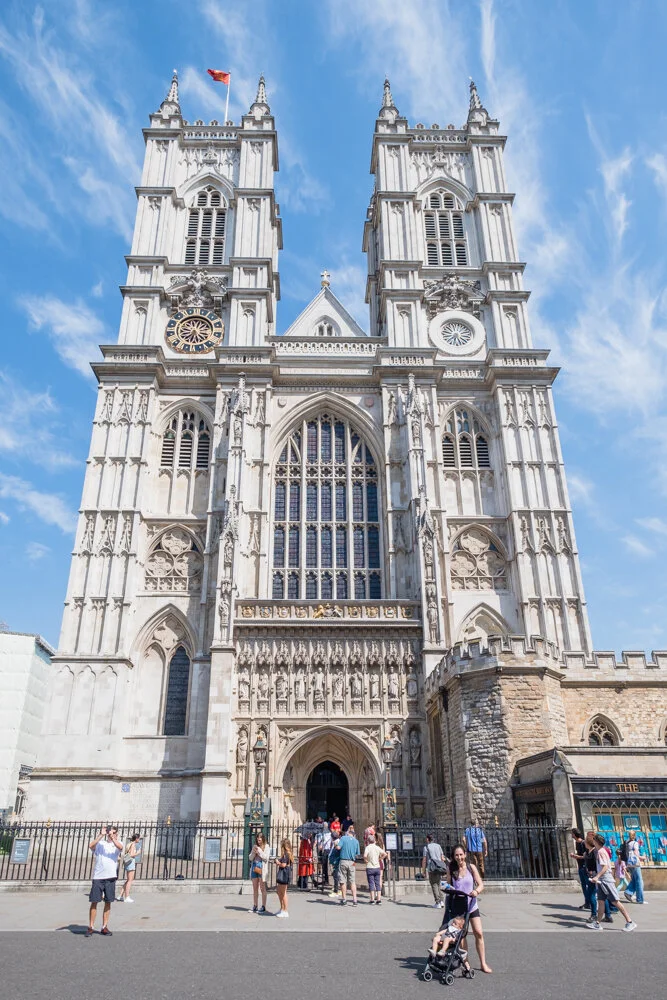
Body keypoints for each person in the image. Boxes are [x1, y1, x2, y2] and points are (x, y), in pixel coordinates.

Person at [448, 844, 492, 974]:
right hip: (459, 907)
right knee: (462, 936)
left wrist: (476, 891)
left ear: (465, 854)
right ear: (453, 856)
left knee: (479, 932)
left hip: (472, 905)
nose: (459, 857)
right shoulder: (451, 868)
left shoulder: (471, 867)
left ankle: (483, 963)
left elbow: (481, 884)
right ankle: (466, 963)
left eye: (461, 854)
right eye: (456, 855)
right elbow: (448, 885)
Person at [586, 834, 636, 932]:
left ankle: (630, 922)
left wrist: (597, 876)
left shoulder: (601, 852)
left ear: (596, 841)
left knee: (615, 901)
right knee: (601, 902)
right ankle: (597, 923)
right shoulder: (600, 851)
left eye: (594, 840)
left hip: (606, 880)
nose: (593, 841)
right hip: (602, 880)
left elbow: (605, 867)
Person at [86, 824, 124, 937]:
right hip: (98, 876)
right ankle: (91, 926)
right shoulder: (101, 844)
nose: (110, 834)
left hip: (110, 877)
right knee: (94, 901)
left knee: (108, 902)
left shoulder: (118, 843)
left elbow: (120, 848)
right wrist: (100, 835)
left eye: (113, 832)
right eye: (109, 832)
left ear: (116, 833)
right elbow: (91, 846)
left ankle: (104, 926)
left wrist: (113, 837)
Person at [336, 823, 360, 906]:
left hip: (343, 861)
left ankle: (344, 899)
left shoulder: (343, 838)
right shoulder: (356, 841)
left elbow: (338, 847)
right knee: (352, 881)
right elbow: (357, 854)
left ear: (347, 832)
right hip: (352, 862)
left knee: (343, 881)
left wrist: (335, 844)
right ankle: (355, 900)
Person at [421, 833, 447, 908]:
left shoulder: (426, 847)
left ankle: (437, 902)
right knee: (438, 883)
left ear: (427, 839)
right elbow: (442, 858)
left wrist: (423, 871)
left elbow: (424, 860)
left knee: (434, 884)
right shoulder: (438, 846)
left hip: (432, 867)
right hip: (439, 867)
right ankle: (441, 901)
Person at [249, 832, 270, 913]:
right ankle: (255, 906)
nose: (258, 841)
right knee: (255, 888)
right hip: (254, 867)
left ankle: (263, 906)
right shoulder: (255, 846)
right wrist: (253, 852)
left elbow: (266, 858)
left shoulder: (266, 846)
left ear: (263, 839)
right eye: (257, 839)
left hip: (262, 867)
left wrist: (259, 851)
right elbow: (250, 858)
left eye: (260, 839)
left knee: (262, 888)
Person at [364, 833, 387, 904]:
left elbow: (365, 856)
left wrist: (366, 860)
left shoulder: (367, 847)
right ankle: (379, 899)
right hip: (377, 867)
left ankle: (372, 899)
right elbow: (385, 854)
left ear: (368, 841)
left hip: (370, 867)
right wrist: (380, 859)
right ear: (374, 841)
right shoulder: (377, 847)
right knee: (377, 883)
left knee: (371, 883)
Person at [570, 828, 590, 909]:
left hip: (585, 866)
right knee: (583, 885)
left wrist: (576, 856)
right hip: (580, 866)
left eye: (572, 833)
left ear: (574, 834)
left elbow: (586, 856)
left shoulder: (583, 843)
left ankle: (591, 902)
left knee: (588, 885)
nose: (571, 834)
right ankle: (587, 902)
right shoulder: (577, 842)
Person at [274, 838, 293, 919]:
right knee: (279, 891)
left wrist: (278, 862)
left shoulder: (286, 854)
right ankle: (282, 908)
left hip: (284, 874)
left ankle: (285, 911)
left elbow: (284, 865)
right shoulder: (287, 854)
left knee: (283, 892)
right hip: (285, 873)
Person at [624, 832, 646, 904]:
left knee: (634, 879)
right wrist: (641, 857)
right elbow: (636, 852)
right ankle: (640, 899)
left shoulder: (627, 843)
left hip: (629, 864)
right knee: (639, 881)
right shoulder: (635, 843)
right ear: (634, 836)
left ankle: (628, 892)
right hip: (635, 864)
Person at [119, 832, 141, 902]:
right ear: (136, 838)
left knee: (128, 880)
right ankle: (127, 897)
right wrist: (138, 853)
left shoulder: (129, 843)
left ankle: (120, 895)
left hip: (128, 863)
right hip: (131, 863)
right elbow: (131, 854)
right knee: (130, 880)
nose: (139, 839)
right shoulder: (133, 844)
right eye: (139, 838)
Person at [328, 830, 342, 898]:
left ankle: (336, 891)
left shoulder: (337, 842)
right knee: (335, 876)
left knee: (336, 876)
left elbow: (337, 852)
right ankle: (337, 888)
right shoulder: (335, 842)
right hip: (334, 861)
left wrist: (333, 861)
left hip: (336, 862)